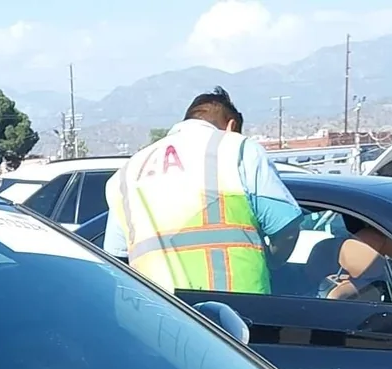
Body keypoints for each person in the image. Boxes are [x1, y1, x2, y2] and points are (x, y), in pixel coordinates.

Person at [103, 87, 300, 294]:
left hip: (157, 308)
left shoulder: (127, 172)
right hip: (238, 304)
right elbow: (286, 228)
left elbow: (116, 258)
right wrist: (272, 263)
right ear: (231, 126)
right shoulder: (237, 148)